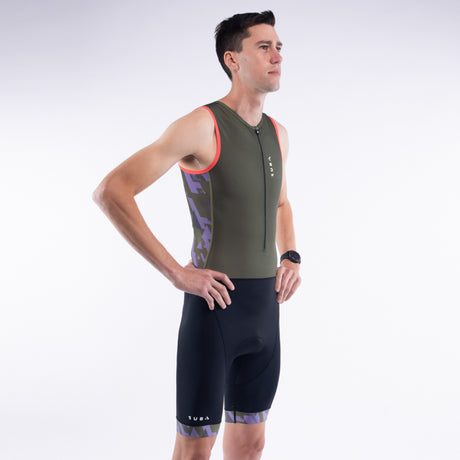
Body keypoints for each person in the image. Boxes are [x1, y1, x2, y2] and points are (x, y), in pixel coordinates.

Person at [93, 10, 301, 460]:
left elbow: (281, 203)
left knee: (252, 444)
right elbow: (112, 191)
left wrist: (291, 256)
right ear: (232, 59)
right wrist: (176, 273)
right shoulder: (201, 125)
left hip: (265, 311)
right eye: (264, 47)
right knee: (194, 450)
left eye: (279, 47)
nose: (277, 56)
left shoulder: (278, 134)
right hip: (215, 311)